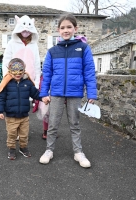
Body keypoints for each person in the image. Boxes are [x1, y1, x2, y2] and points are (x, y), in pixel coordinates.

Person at [39, 13, 97, 168]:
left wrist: (91, 93)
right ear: (58, 30)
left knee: (75, 124)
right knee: (52, 124)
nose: (66, 30)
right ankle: (49, 150)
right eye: (62, 27)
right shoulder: (52, 51)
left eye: (69, 27)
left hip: (75, 92)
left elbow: (89, 71)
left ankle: (78, 152)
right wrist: (44, 93)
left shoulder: (83, 48)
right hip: (56, 93)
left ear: (75, 28)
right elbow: (47, 74)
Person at [0, 58, 42, 160]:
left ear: (24, 70)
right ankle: (12, 149)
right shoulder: (6, 83)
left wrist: (43, 97)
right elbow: (1, 98)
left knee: (24, 134)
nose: (17, 74)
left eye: (20, 71)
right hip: (11, 116)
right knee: (12, 134)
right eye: (15, 72)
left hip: (24, 116)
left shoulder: (27, 83)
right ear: (10, 71)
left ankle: (23, 147)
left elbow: (35, 94)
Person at [2, 15, 41, 89]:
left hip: (30, 80)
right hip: (14, 78)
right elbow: (6, 62)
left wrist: (36, 82)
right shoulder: (11, 43)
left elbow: (37, 64)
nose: (26, 32)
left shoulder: (34, 45)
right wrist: (6, 78)